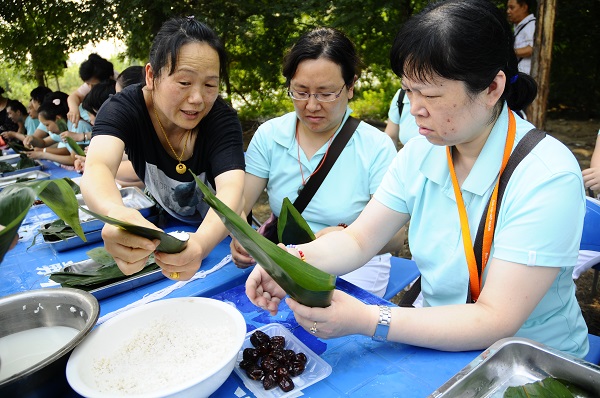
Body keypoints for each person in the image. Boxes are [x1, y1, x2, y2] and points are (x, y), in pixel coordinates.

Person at [246, 0, 589, 358]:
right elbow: (360, 240)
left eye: (431, 94)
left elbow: (496, 319)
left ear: (491, 88)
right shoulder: (421, 151)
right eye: (409, 90)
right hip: (439, 342)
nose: (415, 109)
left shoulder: (546, 175)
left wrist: (369, 319)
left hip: (531, 364)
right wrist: (289, 260)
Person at [230, 27, 398, 297]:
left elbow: (395, 238)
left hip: (355, 265)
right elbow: (240, 203)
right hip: (286, 257)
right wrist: (241, 236)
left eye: (326, 93)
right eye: (301, 91)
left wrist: (347, 235)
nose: (311, 105)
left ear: (351, 86)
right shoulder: (271, 135)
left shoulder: (375, 147)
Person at [81, 17, 245, 281]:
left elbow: (232, 190)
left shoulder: (221, 119)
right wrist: (117, 213)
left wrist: (201, 244)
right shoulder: (124, 109)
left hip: (222, 233)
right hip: (172, 227)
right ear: (151, 76)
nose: (197, 99)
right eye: (184, 82)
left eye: (210, 85)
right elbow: (98, 166)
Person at [67, 53, 118, 127]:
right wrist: (74, 109)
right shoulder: (94, 82)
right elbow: (74, 96)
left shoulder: (120, 85)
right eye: (87, 84)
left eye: (93, 85)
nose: (90, 88)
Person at [507, 0, 536, 75]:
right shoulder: (521, 26)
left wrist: (508, 52)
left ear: (524, 7)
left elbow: (532, 49)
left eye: (512, 8)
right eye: (508, 8)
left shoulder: (531, 25)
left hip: (526, 78)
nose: (508, 11)